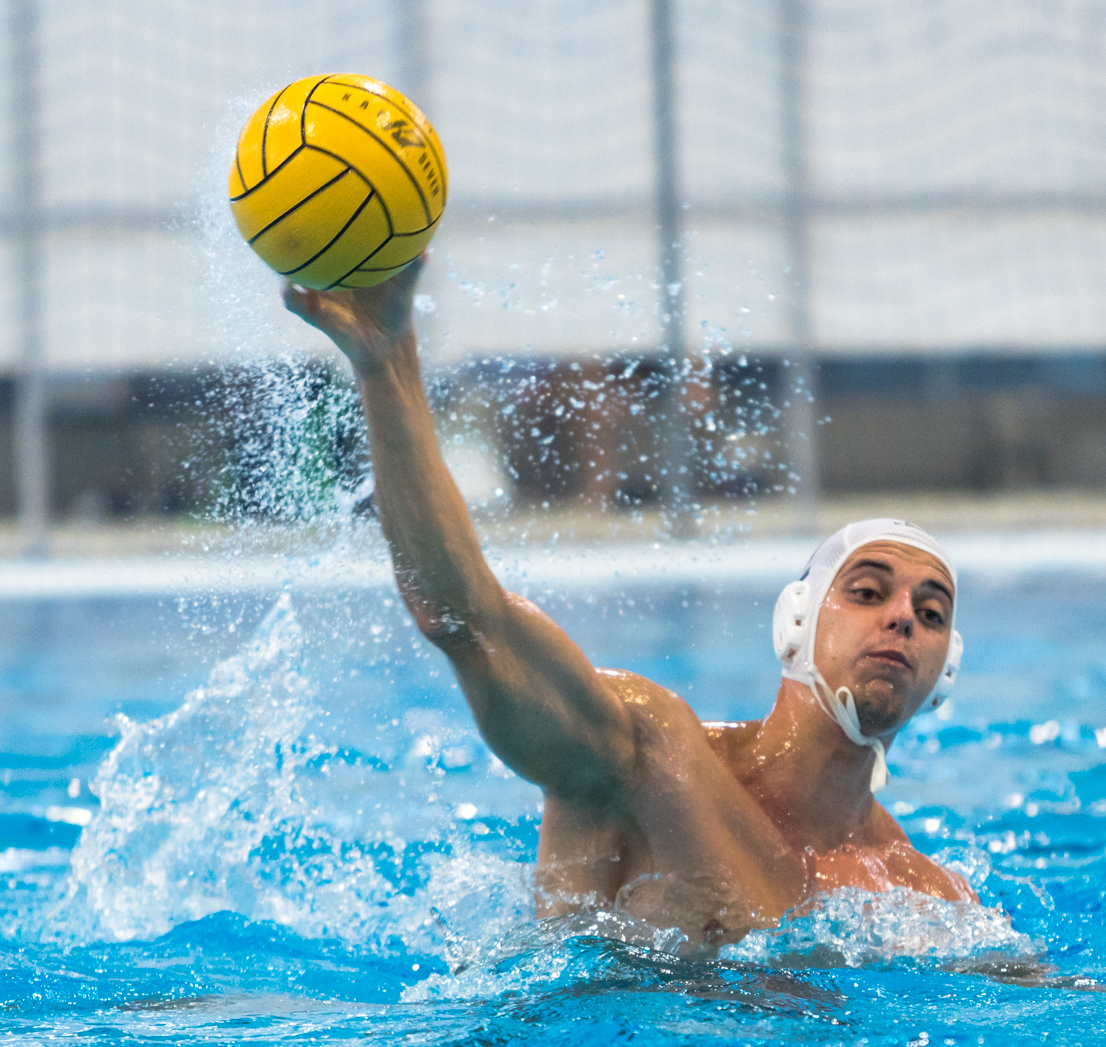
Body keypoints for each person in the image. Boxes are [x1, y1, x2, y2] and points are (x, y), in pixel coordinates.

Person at [282, 256, 976, 952]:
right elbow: (466, 619)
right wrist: (386, 362)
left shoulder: (927, 896)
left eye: (932, 611)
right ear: (794, 623)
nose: (903, 616)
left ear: (945, 671)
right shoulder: (647, 759)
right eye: (866, 590)